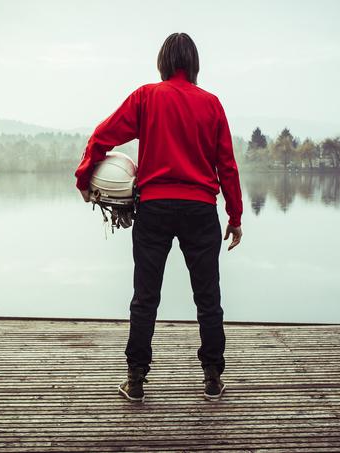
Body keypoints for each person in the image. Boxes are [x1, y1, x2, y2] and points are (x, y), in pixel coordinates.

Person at [74, 32, 243, 402]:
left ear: (163, 62)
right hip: (200, 210)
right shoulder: (212, 104)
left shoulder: (146, 97)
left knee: (145, 297)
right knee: (208, 298)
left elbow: (103, 136)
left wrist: (84, 177)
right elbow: (227, 166)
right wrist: (235, 215)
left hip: (155, 209)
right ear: (195, 64)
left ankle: (136, 380)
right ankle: (213, 378)